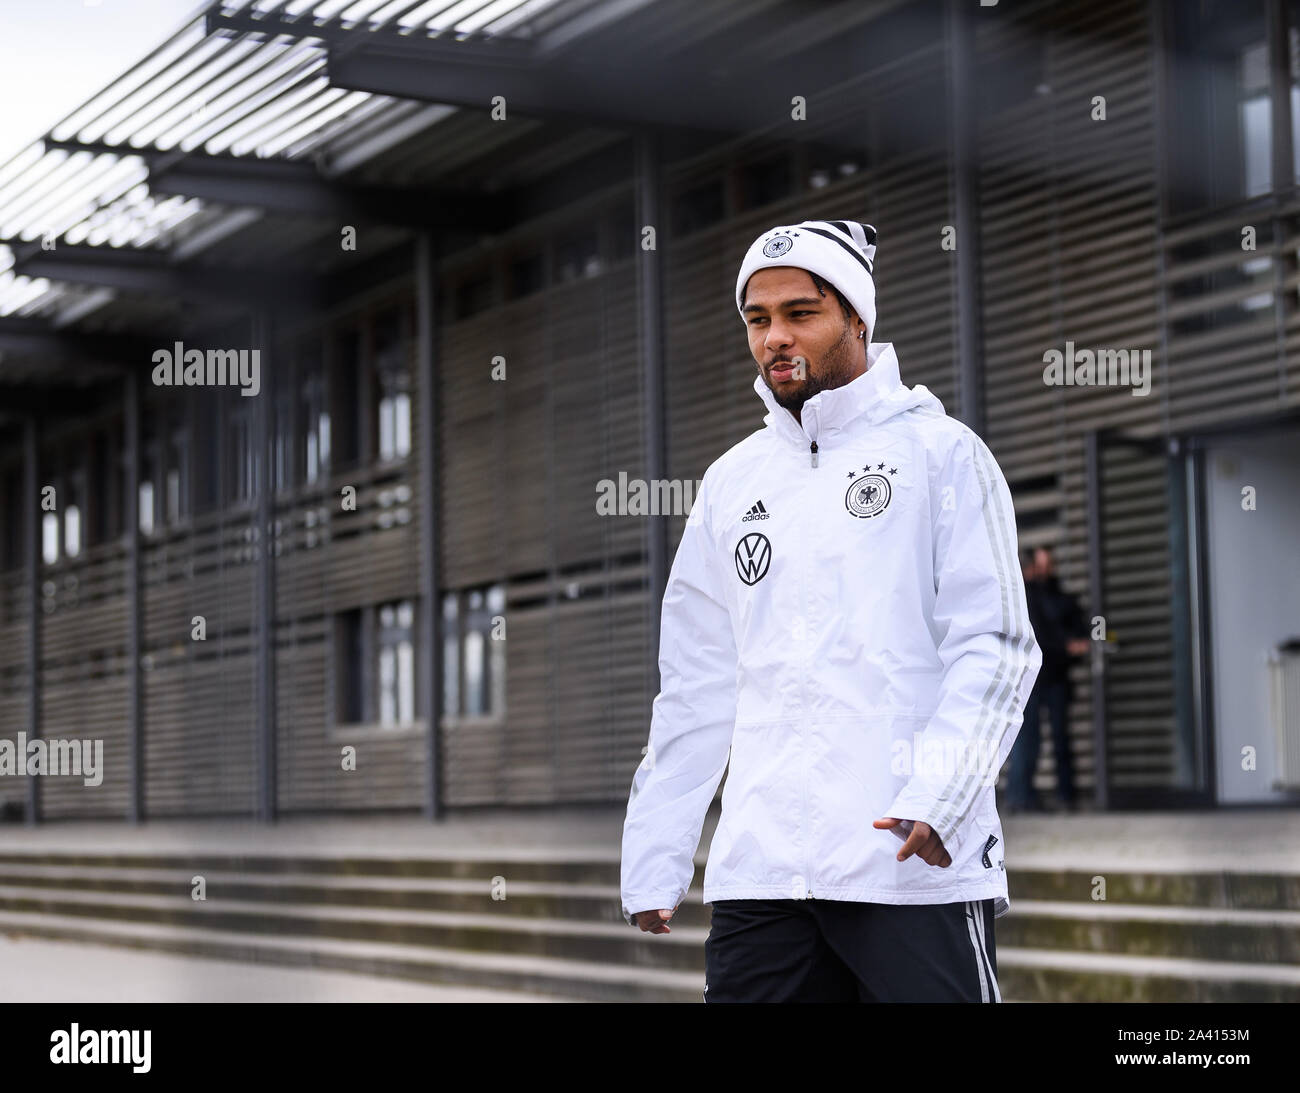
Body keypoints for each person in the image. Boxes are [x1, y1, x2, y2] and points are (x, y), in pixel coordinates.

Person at [619, 219, 1041, 1003]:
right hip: (763, 872)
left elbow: (996, 644)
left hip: (908, 863)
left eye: (800, 312)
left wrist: (941, 795)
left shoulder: (943, 455)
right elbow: (698, 682)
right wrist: (657, 849)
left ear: (858, 318)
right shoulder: (730, 483)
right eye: (757, 318)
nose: (775, 336)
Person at [1006, 546, 1090, 814]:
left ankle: (1063, 797)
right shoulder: (1024, 597)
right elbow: (1038, 638)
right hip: (1030, 679)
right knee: (1027, 740)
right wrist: (1066, 647)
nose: (1040, 569)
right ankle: (1021, 798)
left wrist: (1093, 640)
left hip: (1055, 679)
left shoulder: (1063, 598)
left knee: (1059, 739)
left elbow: (1092, 628)